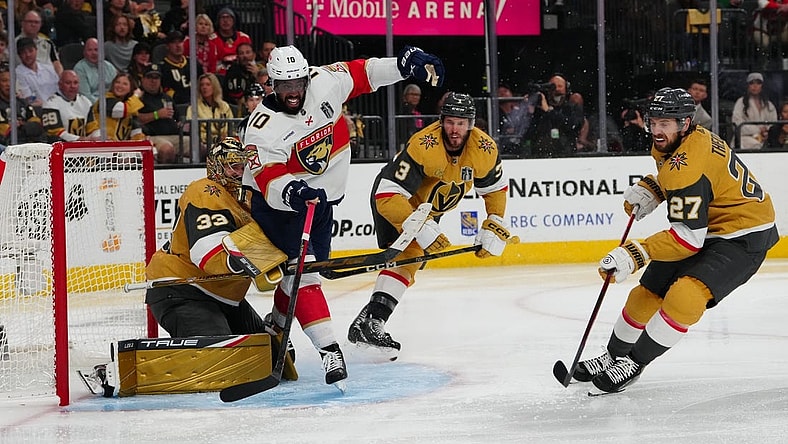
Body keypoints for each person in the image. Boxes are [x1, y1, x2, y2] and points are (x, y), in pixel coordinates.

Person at [241, 44, 445, 387]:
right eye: (284, 86)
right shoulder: (262, 126)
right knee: (304, 276)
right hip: (280, 208)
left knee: (301, 274)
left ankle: (275, 326)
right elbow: (268, 177)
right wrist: (293, 191)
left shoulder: (324, 81)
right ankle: (329, 351)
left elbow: (364, 73)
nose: (293, 93)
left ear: (307, 77)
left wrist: (405, 64)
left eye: (297, 84)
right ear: (270, 85)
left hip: (321, 205)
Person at [572, 87, 779, 394]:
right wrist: (657, 188)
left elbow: (687, 239)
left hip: (744, 236)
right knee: (649, 291)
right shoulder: (684, 140)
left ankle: (634, 362)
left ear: (684, 123)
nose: (657, 129)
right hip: (708, 227)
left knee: (685, 296)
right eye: (653, 121)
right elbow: (696, 183)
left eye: (665, 123)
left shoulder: (687, 165)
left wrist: (635, 253)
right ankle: (614, 355)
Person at [347, 92, 511, 358]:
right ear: (441, 120)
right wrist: (421, 227)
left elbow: (494, 190)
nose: (454, 129)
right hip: (397, 202)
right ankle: (372, 323)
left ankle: (366, 322)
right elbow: (387, 194)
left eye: (461, 123)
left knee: (412, 261)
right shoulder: (424, 144)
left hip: (426, 211)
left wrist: (493, 223)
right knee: (410, 254)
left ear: (471, 124)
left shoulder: (485, 149)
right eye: (449, 122)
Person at [527, 73, 585, 158]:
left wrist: (548, 111)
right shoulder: (539, 110)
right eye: (553, 86)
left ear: (567, 88)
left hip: (566, 157)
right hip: (539, 158)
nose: (556, 89)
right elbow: (527, 133)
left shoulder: (572, 108)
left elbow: (573, 125)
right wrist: (529, 110)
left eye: (560, 86)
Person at [136, 63, 184, 163]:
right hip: (150, 137)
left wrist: (180, 124)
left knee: (199, 147)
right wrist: (157, 115)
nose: (153, 81)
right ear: (143, 79)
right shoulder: (138, 98)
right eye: (149, 77)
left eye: (156, 77)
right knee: (167, 150)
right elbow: (135, 119)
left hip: (173, 135)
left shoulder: (166, 98)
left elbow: (178, 118)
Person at [85, 71, 145, 142]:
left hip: (119, 145)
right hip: (98, 141)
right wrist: (136, 96)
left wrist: (141, 139)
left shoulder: (131, 106)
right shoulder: (106, 100)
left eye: (125, 84)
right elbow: (124, 110)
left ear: (130, 88)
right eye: (117, 82)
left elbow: (136, 132)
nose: (120, 86)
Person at [186, 72, 234, 158]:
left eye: (208, 84)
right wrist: (215, 139)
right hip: (204, 144)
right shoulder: (193, 108)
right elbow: (194, 131)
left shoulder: (224, 106)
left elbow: (230, 126)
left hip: (225, 142)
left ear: (214, 86)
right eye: (202, 85)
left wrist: (226, 137)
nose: (204, 87)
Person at [41, 70, 93, 141]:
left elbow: (93, 127)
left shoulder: (86, 101)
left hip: (84, 146)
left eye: (75, 83)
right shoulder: (50, 104)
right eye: (68, 83)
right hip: (61, 147)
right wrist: (80, 139)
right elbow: (55, 132)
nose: (72, 86)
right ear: (60, 85)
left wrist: (98, 137)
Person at [0, 63, 46, 145]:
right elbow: (6, 132)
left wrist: (20, 125)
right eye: (4, 81)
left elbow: (38, 126)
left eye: (11, 80)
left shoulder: (23, 102)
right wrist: (26, 126)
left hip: (29, 144)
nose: (8, 84)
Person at [730, 72, 777, 149]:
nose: (755, 86)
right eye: (752, 83)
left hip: (765, 140)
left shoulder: (769, 105)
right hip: (744, 140)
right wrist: (758, 130)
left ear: (762, 86)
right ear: (748, 86)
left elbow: (774, 124)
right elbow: (737, 125)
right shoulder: (740, 103)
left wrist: (766, 132)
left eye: (758, 83)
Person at [160, 30, 202, 106]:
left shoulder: (194, 63)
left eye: (180, 42)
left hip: (198, 103)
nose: (178, 45)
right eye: (173, 42)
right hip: (177, 106)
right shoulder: (163, 67)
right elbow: (167, 93)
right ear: (167, 46)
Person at [14, 37, 59, 107]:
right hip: (37, 109)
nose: (28, 55)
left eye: (30, 51)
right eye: (24, 52)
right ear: (19, 55)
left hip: (57, 106)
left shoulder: (49, 69)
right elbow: (28, 98)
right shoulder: (18, 73)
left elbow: (59, 90)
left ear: (36, 50)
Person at [15, 10, 62, 75]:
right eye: (30, 21)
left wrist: (60, 77)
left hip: (49, 79)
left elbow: (56, 62)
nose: (33, 24)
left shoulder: (47, 42)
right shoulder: (14, 43)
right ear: (22, 23)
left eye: (36, 22)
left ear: (41, 24)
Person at [74, 37, 119, 103]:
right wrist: (103, 105)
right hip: (93, 106)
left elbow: (117, 88)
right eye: (90, 50)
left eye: (96, 49)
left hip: (112, 102)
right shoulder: (79, 69)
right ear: (84, 52)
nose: (94, 53)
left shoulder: (109, 66)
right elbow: (85, 96)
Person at [497, 83, 533, 156]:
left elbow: (527, 128)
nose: (502, 94)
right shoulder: (495, 115)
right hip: (503, 150)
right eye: (499, 92)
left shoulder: (519, 112)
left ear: (511, 94)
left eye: (505, 91)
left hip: (520, 150)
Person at [214, 7, 252, 75]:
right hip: (219, 75)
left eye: (228, 17)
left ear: (234, 20)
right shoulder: (212, 39)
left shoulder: (244, 37)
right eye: (222, 18)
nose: (225, 21)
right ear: (218, 21)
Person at [223, 42, 258, 110]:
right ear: (237, 56)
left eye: (248, 52)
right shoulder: (232, 71)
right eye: (241, 53)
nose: (245, 56)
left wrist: (257, 76)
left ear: (254, 55)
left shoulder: (261, 69)